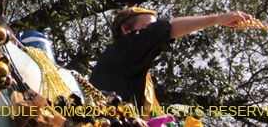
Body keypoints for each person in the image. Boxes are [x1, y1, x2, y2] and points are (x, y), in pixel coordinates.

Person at [89, 7, 251, 120]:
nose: (151, 31)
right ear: (126, 30)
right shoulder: (120, 50)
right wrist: (217, 19)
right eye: (147, 27)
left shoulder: (137, 74)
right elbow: (161, 31)